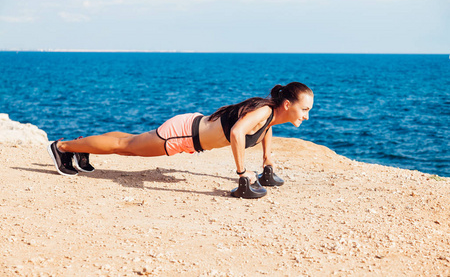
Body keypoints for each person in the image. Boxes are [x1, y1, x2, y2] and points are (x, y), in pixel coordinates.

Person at [48, 82, 314, 199]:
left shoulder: (269, 114)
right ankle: (63, 147)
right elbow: (236, 134)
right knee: (126, 148)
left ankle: (81, 145)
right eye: (304, 110)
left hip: (189, 129)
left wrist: (268, 160)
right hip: (183, 134)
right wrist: (242, 174)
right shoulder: (265, 110)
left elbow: (265, 129)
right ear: (288, 104)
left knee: (129, 142)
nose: (307, 116)